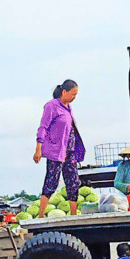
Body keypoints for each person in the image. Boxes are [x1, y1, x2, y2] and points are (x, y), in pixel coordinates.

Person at [34, 79, 86, 217]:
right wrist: (38, 147)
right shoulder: (51, 106)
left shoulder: (68, 107)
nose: (74, 97)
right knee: (52, 180)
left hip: (70, 150)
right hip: (56, 150)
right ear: (64, 92)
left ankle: (73, 214)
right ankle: (41, 214)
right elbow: (43, 127)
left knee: (73, 181)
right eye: (73, 94)